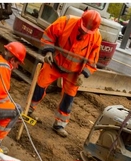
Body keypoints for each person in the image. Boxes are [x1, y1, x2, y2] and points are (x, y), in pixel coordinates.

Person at [29, 10, 102, 138]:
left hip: (74, 72)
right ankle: (28, 110)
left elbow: (93, 60)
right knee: (39, 86)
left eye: (88, 31)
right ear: (81, 21)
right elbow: (48, 35)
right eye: (83, 29)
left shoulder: (96, 37)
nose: (85, 32)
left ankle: (60, 124)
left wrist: (84, 74)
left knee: (69, 97)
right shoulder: (66, 21)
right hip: (54, 63)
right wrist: (48, 52)